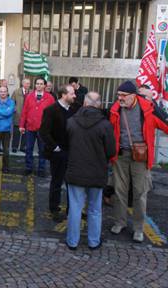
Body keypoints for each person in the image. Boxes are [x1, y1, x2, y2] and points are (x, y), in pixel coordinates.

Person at [109, 81, 168, 243]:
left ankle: (138, 228)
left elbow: (166, 125)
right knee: (119, 191)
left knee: (140, 193)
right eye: (118, 95)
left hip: (141, 157)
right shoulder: (115, 109)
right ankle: (119, 222)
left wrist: (159, 108)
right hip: (120, 156)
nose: (119, 99)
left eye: (123, 96)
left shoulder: (148, 109)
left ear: (133, 96)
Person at [65, 92, 116, 250]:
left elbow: (66, 145)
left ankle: (72, 241)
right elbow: (111, 151)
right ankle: (93, 241)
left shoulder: (71, 122)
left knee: (75, 208)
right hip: (96, 172)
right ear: (99, 105)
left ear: (85, 104)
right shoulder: (105, 124)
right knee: (95, 209)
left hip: (75, 171)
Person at [39, 84, 77, 222]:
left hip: (72, 152)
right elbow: (44, 131)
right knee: (57, 182)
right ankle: (54, 209)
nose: (75, 96)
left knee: (72, 183)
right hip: (58, 153)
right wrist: (55, 147)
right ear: (63, 95)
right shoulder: (51, 110)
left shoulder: (74, 109)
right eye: (72, 93)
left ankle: (72, 209)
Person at [19, 77, 55, 177]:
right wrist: (22, 125)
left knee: (42, 150)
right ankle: (28, 167)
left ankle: (41, 169)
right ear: (35, 85)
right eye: (37, 84)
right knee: (28, 149)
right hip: (30, 128)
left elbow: (53, 114)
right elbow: (24, 112)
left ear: (45, 85)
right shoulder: (29, 96)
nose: (39, 86)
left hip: (43, 129)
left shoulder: (50, 98)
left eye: (41, 84)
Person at [11, 78, 31, 153]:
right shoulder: (16, 92)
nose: (28, 85)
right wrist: (15, 109)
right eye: (26, 83)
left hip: (28, 115)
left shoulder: (31, 92)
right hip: (18, 114)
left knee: (25, 132)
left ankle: (23, 147)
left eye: (29, 83)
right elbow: (12, 102)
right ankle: (14, 147)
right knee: (16, 132)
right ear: (22, 84)